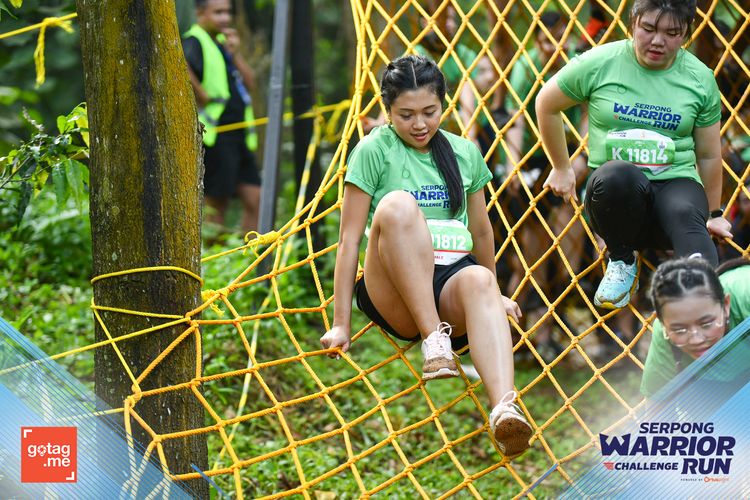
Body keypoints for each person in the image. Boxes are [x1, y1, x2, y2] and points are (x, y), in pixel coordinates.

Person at [319, 55, 533, 456]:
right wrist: (340, 323)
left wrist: (496, 293)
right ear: (388, 110)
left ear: (443, 105)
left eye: (429, 112)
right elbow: (348, 240)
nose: (419, 124)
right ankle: (434, 339)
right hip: (393, 287)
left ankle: (505, 410)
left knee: (481, 279)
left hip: (450, 277)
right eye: (406, 115)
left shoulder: (464, 152)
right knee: (398, 205)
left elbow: (481, 230)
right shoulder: (373, 150)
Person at [535, 0, 734, 310]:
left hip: (674, 193)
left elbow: (709, 155)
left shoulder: (699, 77)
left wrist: (714, 214)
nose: (658, 41)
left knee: (688, 221)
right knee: (616, 176)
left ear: (686, 34)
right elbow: (546, 103)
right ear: (633, 22)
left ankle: (707, 311)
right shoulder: (602, 61)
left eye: (672, 33)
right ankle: (622, 260)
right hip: (617, 206)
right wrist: (562, 167)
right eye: (648, 28)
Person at [183, 0, 261, 234]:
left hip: (240, 136)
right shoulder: (194, 40)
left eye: (227, 12)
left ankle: (251, 254)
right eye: (218, 12)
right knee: (216, 203)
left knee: (256, 199)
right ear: (200, 13)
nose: (225, 18)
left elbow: (250, 82)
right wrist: (202, 94)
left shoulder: (222, 44)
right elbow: (180, 65)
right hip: (216, 136)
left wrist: (234, 53)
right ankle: (215, 255)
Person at [640, 256, 750, 398]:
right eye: (680, 330)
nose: (696, 340)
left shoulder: (745, 294)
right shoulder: (664, 334)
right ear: (663, 323)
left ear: (726, 305)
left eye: (706, 324)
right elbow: (656, 405)